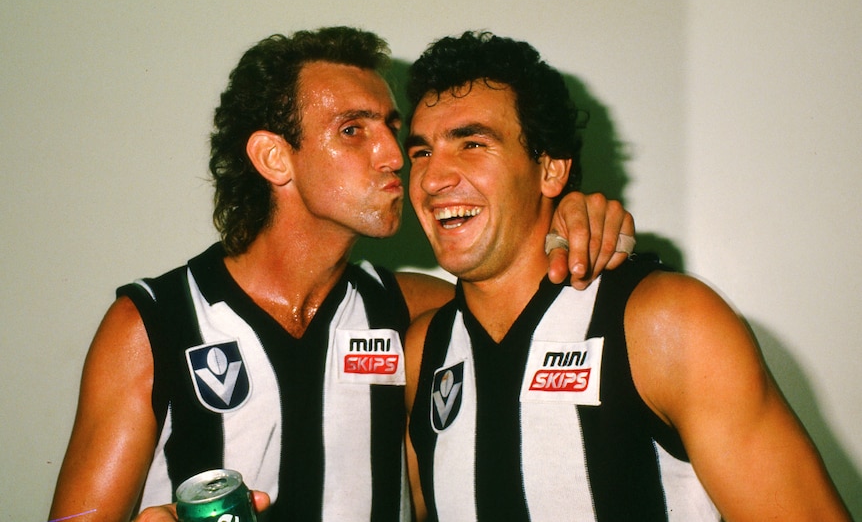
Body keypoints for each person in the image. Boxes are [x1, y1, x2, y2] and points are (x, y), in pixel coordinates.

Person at [48, 27, 635, 522]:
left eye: (391, 129)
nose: (395, 155)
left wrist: (569, 211)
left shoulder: (412, 312)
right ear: (275, 157)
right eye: (354, 130)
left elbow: (527, 294)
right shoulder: (154, 324)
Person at [403, 31, 851, 521]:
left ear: (550, 170)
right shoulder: (424, 349)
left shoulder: (667, 322)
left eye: (471, 143)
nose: (433, 178)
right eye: (421, 152)